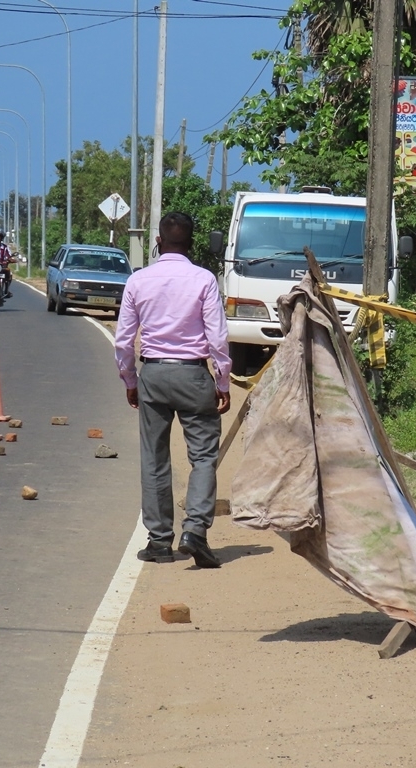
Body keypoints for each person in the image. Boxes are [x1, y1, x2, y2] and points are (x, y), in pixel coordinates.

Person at [115, 211, 232, 568]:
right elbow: (217, 336)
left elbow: (123, 341)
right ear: (192, 244)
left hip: (153, 373)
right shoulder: (204, 280)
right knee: (203, 457)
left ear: (158, 243)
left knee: (154, 458)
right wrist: (222, 381)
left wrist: (131, 381)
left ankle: (159, 542)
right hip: (193, 375)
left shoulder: (139, 280)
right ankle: (194, 529)